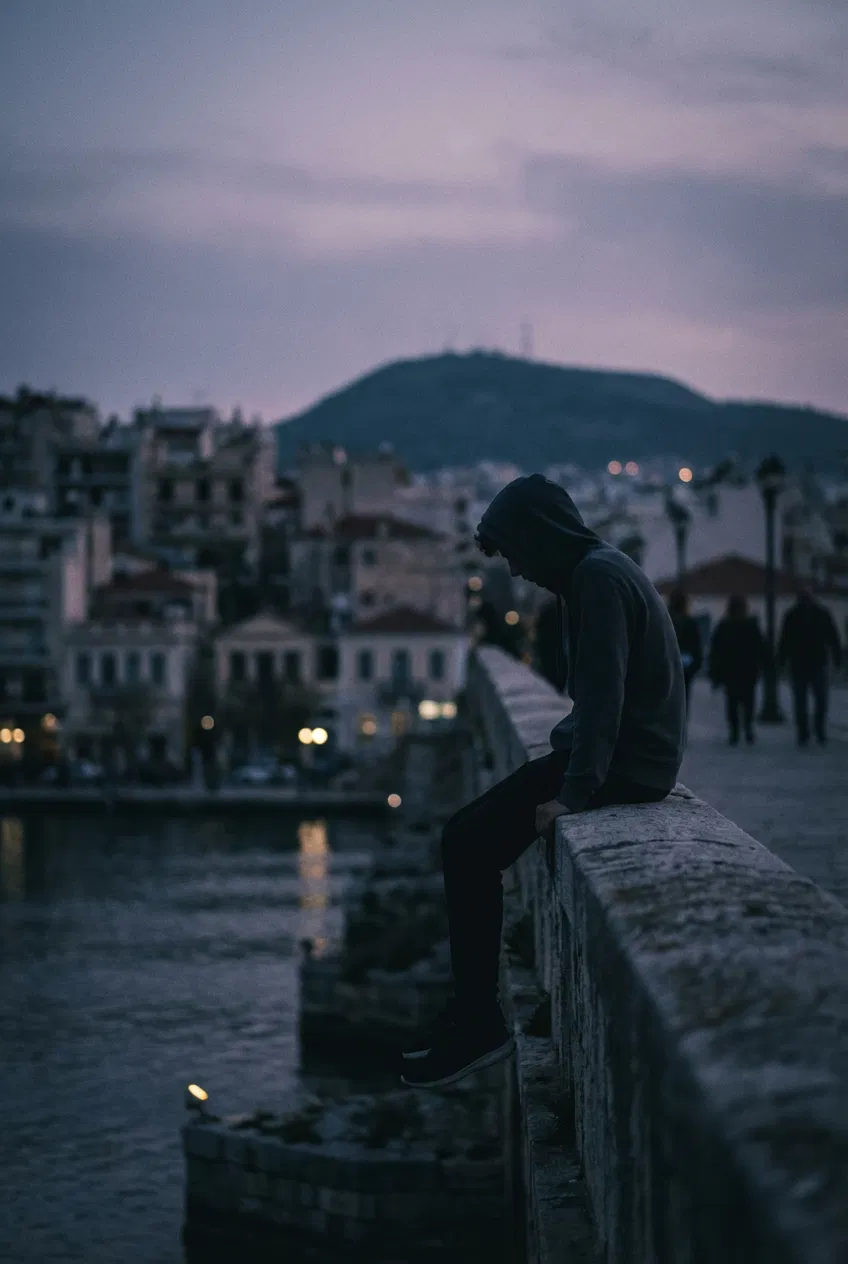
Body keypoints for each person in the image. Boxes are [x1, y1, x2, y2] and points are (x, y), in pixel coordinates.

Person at [401, 474, 687, 1090]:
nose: (518, 570)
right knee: (467, 836)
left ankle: (477, 1024)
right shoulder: (597, 573)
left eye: (515, 552)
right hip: (628, 759)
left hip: (623, 767)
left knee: (466, 844)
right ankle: (472, 1017)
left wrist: (572, 797)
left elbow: (604, 698)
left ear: (541, 535)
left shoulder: (596, 579)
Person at [777, 588, 842, 746]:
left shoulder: (793, 615)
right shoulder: (820, 614)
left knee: (805, 700)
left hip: (804, 662)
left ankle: (807, 731)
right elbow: (832, 637)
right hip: (813, 661)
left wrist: (781, 660)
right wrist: (837, 657)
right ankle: (814, 730)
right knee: (816, 699)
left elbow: (784, 640)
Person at [707, 595, 766, 745]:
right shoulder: (746, 626)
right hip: (742, 671)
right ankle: (744, 730)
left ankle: (738, 731)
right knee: (744, 703)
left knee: (736, 703)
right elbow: (761, 648)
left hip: (736, 671)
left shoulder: (726, 626)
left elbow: (716, 651)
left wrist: (715, 673)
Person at [667, 590, 703, 711]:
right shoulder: (691, 623)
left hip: (668, 665)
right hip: (685, 667)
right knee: (683, 701)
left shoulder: (665, 621)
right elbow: (697, 647)